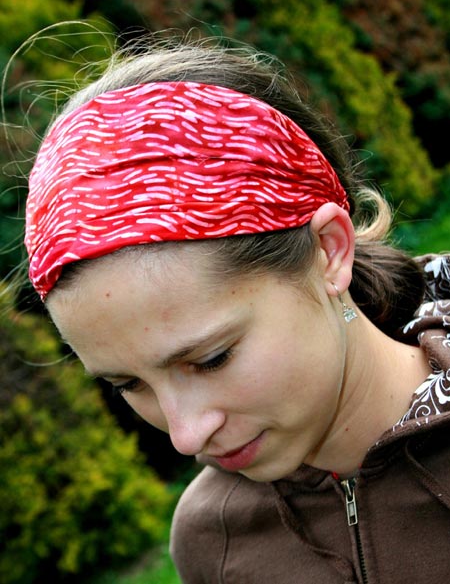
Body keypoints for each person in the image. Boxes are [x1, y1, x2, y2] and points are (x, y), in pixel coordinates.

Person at [24, 36, 450, 583]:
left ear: (329, 251)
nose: (186, 435)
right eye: (127, 384)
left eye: (212, 358)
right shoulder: (211, 541)